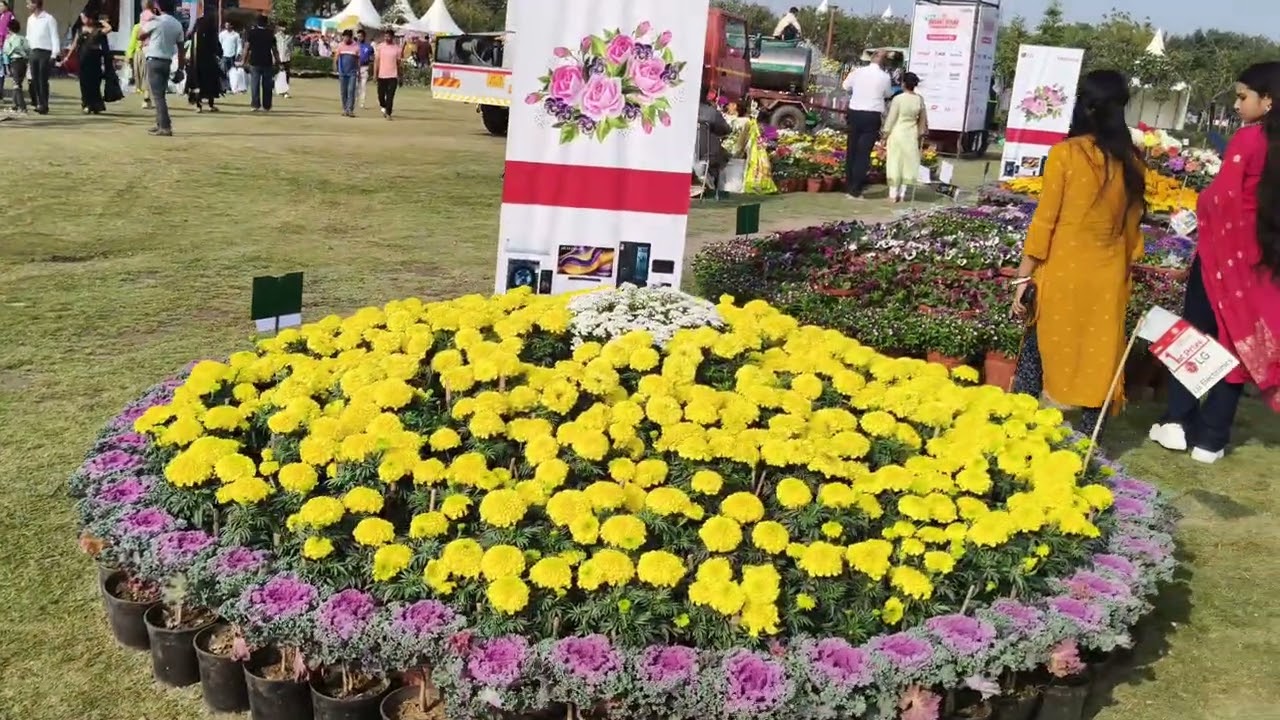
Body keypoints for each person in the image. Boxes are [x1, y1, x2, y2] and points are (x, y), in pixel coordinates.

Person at [1150, 62, 1280, 462]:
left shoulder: (1248, 138)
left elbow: (1220, 199)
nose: (1237, 104)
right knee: (1237, 341)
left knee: (1194, 336)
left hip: (1222, 258)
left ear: (1269, 101)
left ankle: (1177, 422)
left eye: (1243, 97)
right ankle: (1212, 439)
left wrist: (1196, 211)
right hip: (1260, 259)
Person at [1009, 69, 1146, 435]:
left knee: (1037, 351)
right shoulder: (1131, 161)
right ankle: (1090, 439)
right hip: (1108, 276)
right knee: (1099, 356)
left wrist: (1023, 275)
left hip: (1063, 271)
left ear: (1084, 107)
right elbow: (1133, 232)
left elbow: (1044, 222)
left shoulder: (1066, 155)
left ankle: (1015, 427)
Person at [841, 50, 893, 199]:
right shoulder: (884, 77)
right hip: (871, 114)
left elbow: (845, 86)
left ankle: (849, 184)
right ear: (883, 62)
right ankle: (855, 189)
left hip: (855, 112)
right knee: (863, 153)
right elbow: (888, 94)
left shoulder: (857, 72)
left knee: (852, 149)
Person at [139, 0, 184, 136]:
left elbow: (139, 35)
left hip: (154, 59)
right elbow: (181, 49)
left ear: (158, 7)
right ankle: (161, 122)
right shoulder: (177, 24)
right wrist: (180, 68)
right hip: (167, 60)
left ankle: (165, 126)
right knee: (161, 94)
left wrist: (147, 23)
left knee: (157, 96)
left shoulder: (156, 21)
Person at [882, 71, 928, 203]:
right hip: (911, 134)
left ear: (903, 84)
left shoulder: (898, 99)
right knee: (909, 164)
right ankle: (903, 194)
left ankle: (892, 194)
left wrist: (885, 134)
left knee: (894, 162)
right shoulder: (919, 99)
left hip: (897, 133)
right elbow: (923, 120)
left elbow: (891, 118)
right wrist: (920, 134)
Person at [64, 13, 113, 113]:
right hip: (83, 59)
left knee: (95, 83)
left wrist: (102, 22)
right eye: (82, 17)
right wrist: (67, 57)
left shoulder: (97, 31)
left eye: (85, 17)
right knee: (84, 83)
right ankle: (86, 104)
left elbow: (109, 28)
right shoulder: (80, 30)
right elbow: (74, 44)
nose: (83, 19)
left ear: (90, 18)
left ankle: (95, 105)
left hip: (95, 60)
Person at [23, 0, 56, 114]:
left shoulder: (48, 18)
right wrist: (26, 51)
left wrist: (54, 54)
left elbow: (54, 37)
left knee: (43, 79)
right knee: (34, 79)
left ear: (35, 4)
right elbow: (28, 36)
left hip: (45, 52)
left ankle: (44, 104)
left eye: (29, 3)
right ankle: (38, 102)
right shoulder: (30, 19)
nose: (27, 6)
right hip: (33, 51)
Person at [694, 88, 732, 187]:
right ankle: (716, 188)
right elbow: (726, 130)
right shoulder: (711, 112)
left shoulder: (681, 110)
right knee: (723, 156)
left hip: (685, 152)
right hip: (707, 155)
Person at [241, 14, 278, 112]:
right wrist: (278, 61)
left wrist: (243, 61)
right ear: (266, 23)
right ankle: (267, 105)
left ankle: (255, 104)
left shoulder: (252, 33)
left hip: (255, 61)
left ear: (257, 22)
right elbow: (274, 49)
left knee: (255, 84)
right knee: (267, 85)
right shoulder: (270, 34)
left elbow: (246, 48)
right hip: (267, 61)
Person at [186, 15, 222, 112]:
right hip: (209, 63)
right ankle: (210, 105)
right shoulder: (211, 33)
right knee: (210, 83)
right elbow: (216, 47)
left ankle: (198, 105)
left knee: (197, 83)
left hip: (195, 63)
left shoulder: (195, 34)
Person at [125, 4, 154, 109]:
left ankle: (146, 98)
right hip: (150, 53)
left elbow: (132, 42)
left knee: (142, 76)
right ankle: (147, 98)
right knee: (147, 76)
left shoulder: (138, 27)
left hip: (140, 53)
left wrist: (129, 55)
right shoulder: (154, 27)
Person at [1, 15, 26, 114]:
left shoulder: (9, 39)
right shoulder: (23, 39)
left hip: (14, 62)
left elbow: (6, 52)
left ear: (8, 29)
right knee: (18, 84)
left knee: (16, 85)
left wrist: (6, 66)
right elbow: (28, 50)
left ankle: (22, 107)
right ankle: (14, 105)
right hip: (23, 63)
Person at [333, 28, 359, 117]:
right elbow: (336, 57)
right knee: (343, 91)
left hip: (352, 73)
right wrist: (335, 67)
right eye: (345, 37)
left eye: (348, 37)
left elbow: (358, 60)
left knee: (351, 91)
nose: (346, 39)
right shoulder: (340, 46)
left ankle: (350, 109)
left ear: (351, 37)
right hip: (342, 72)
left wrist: (358, 70)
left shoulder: (356, 46)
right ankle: (345, 109)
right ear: (343, 37)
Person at [374, 29, 399, 118]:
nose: (387, 38)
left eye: (388, 36)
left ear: (392, 37)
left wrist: (401, 75)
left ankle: (388, 113)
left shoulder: (397, 48)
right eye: (385, 36)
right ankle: (384, 106)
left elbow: (399, 63)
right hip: (382, 75)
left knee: (390, 96)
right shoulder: (380, 47)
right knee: (381, 95)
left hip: (393, 75)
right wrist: (375, 74)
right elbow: (377, 61)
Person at [217, 21, 240, 93]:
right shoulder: (222, 34)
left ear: (231, 26)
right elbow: (219, 44)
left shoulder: (236, 35)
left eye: (228, 25)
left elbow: (238, 45)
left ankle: (231, 87)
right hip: (224, 56)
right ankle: (223, 87)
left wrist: (238, 54)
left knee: (232, 73)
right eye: (226, 25)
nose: (227, 26)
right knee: (223, 72)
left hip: (232, 56)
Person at [356, 28, 372, 109]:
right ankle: (354, 101)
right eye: (358, 36)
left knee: (363, 86)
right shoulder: (354, 45)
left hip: (364, 67)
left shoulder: (368, 47)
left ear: (364, 37)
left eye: (361, 36)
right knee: (355, 86)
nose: (359, 38)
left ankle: (362, 103)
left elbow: (373, 57)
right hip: (355, 68)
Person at [0, 1, 13, 98]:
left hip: (4, 45)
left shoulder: (9, 16)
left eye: (1, 5)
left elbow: (12, 29)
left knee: (2, 69)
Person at [274, 23, 291, 92]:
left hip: (286, 58)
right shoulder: (276, 36)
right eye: (281, 27)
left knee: (286, 75)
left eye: (284, 27)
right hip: (278, 58)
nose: (283, 28)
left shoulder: (289, 37)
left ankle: (285, 91)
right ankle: (275, 89)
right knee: (276, 75)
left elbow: (290, 48)